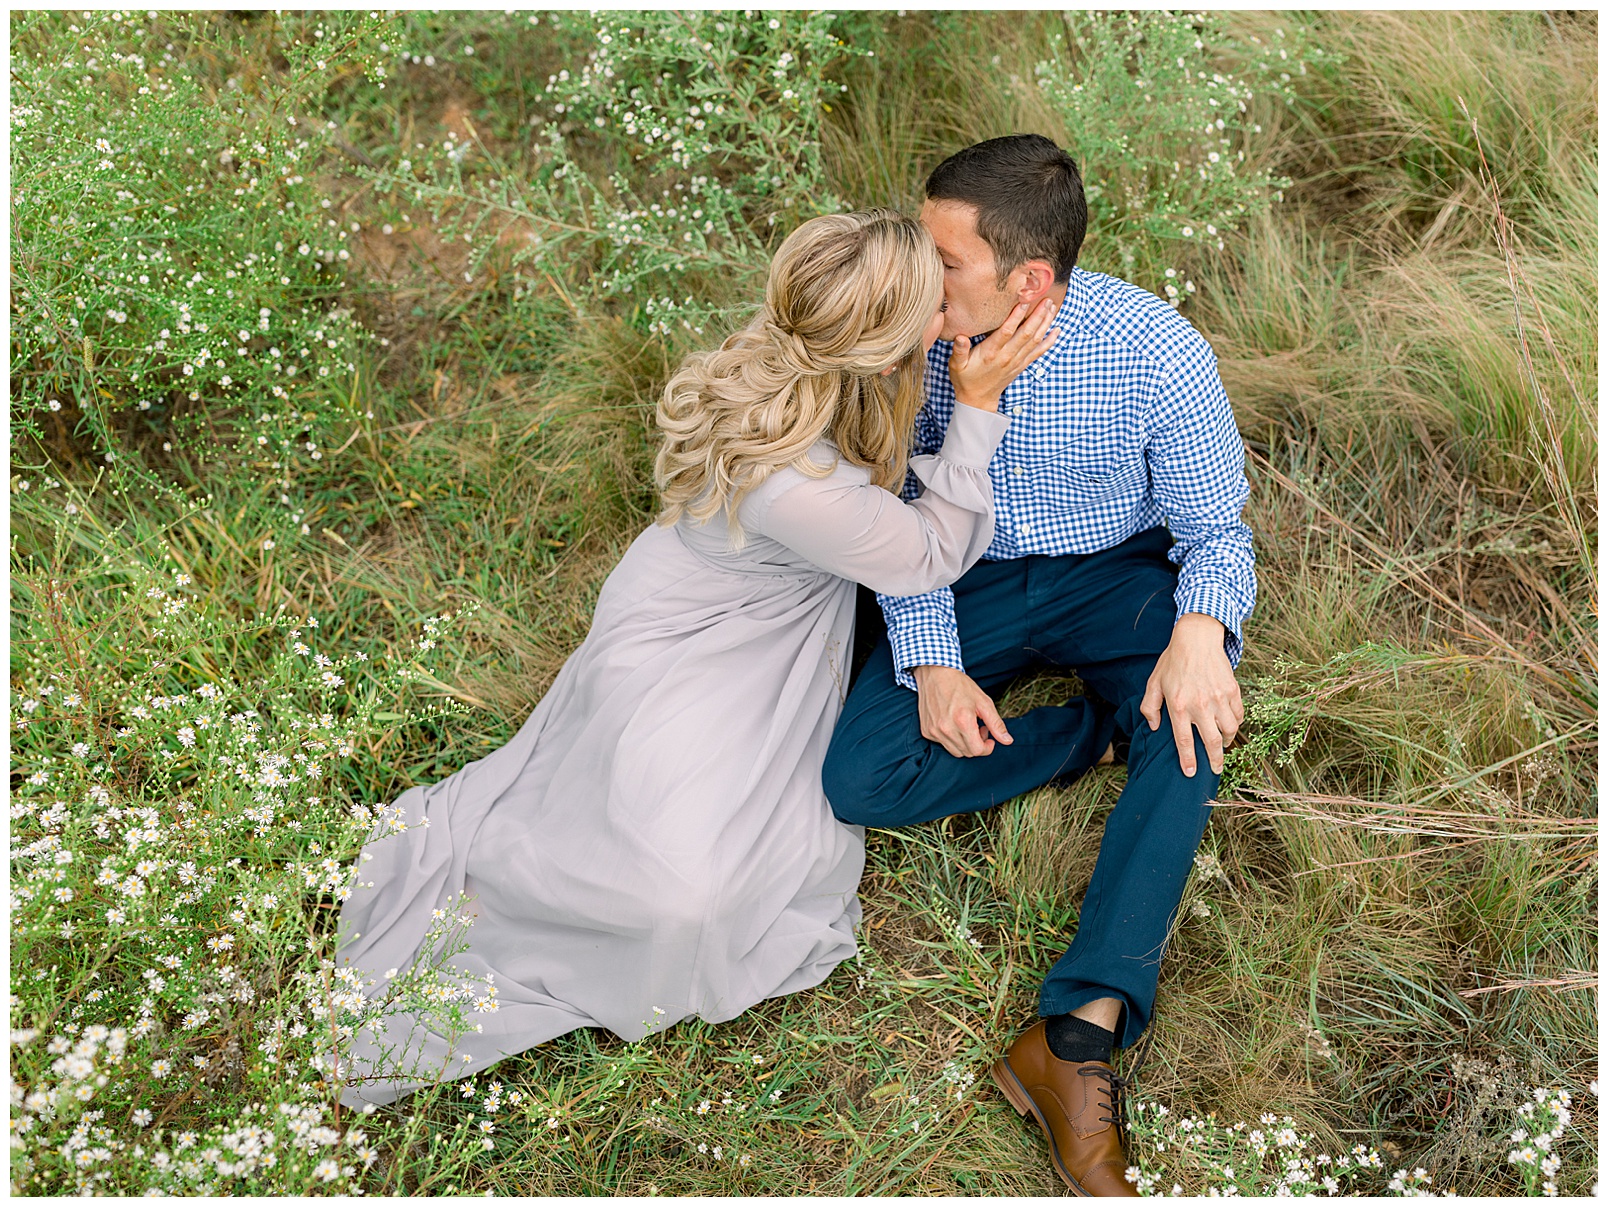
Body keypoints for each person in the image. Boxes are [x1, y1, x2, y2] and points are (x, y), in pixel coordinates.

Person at [331, 208, 1059, 1108]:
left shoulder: (796, 346)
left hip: (712, 597)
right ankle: (509, 908)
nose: (947, 315)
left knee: (673, 846)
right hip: (706, 640)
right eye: (927, 306)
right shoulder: (796, 484)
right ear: (875, 344)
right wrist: (979, 408)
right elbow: (929, 554)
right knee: (682, 895)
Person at [821, 135, 1256, 1196]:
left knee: (1193, 722)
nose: (920, 278)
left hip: (1114, 575)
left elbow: (1215, 528)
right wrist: (928, 659)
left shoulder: (1154, 350)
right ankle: (1089, 731)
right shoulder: (912, 341)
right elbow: (891, 516)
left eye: (944, 260)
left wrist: (1201, 628)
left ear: (1031, 280)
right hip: (956, 570)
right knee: (861, 775)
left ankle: (1078, 1033)